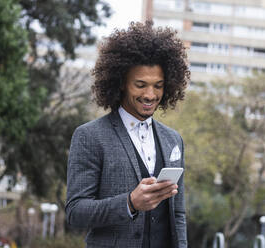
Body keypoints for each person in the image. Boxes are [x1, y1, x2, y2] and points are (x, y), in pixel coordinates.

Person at [65, 21, 190, 248]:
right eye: (140, 85)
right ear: (121, 83)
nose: (150, 95)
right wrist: (130, 203)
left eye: (158, 86)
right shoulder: (90, 136)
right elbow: (75, 212)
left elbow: (178, 213)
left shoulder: (174, 140)